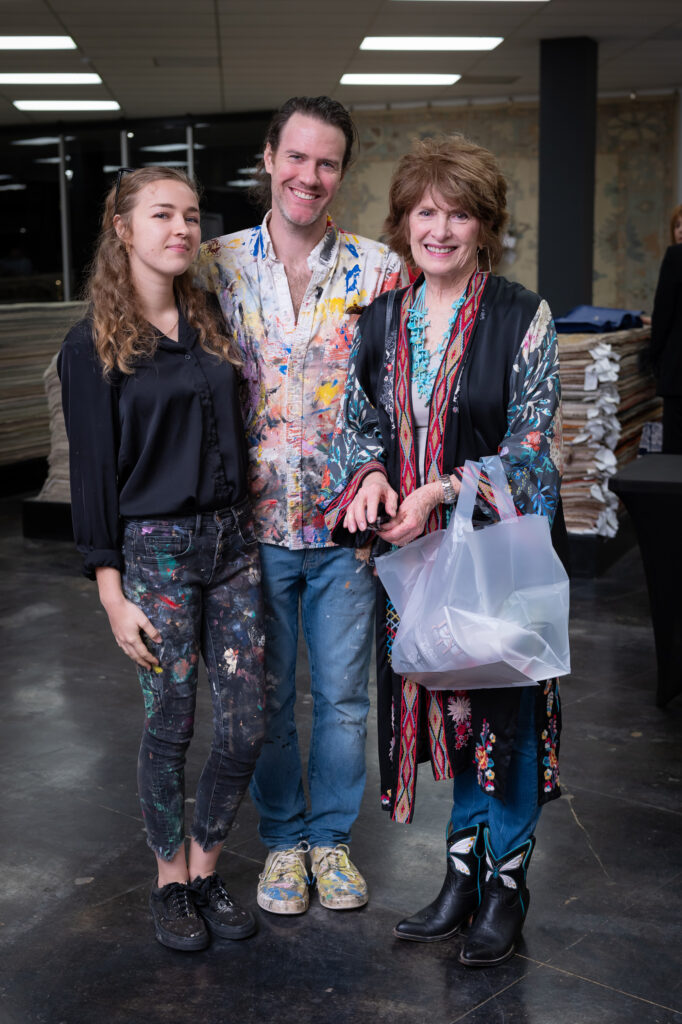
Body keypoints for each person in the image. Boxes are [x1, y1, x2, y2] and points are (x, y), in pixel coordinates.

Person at [322, 135, 565, 966]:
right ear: (404, 223)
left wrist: (445, 489)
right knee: (458, 718)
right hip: (418, 563)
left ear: (484, 225)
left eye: (459, 212)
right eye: (427, 211)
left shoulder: (522, 316)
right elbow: (360, 424)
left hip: (498, 558)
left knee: (506, 715)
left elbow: (535, 450)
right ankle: (460, 879)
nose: (441, 228)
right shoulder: (383, 318)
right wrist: (375, 481)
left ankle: (506, 891)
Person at [197, 96, 403, 916]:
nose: (308, 177)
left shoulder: (380, 268)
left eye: (326, 163)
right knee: (269, 697)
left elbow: (396, 392)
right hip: (250, 529)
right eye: (296, 158)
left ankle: (332, 843)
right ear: (269, 159)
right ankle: (283, 844)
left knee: (347, 696)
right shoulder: (215, 265)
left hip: (346, 527)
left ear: (341, 173)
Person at [58, 167, 265, 951]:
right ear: (123, 228)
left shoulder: (210, 318)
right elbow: (92, 477)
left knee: (246, 725)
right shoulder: (93, 344)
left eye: (190, 215)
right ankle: (170, 884)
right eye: (161, 215)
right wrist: (111, 592)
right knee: (171, 727)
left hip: (233, 545)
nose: (180, 228)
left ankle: (208, 868)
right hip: (156, 553)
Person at [650, 203, 682, 453]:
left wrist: (654, 358)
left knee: (673, 455)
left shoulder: (675, 256)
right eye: (677, 225)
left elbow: (664, 312)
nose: (680, 230)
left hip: (678, 371)